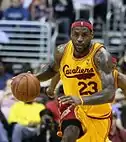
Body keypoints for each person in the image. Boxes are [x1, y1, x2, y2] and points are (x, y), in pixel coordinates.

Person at [31, 19, 126, 142]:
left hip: (97, 112)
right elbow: (55, 69)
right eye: (76, 34)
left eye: (84, 35)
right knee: (69, 135)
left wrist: (80, 99)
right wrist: (36, 79)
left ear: (92, 35)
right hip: (72, 105)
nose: (80, 39)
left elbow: (109, 94)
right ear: (70, 34)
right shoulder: (62, 51)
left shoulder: (101, 57)